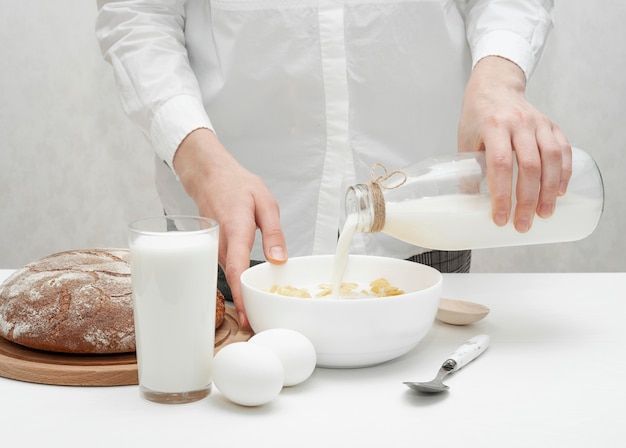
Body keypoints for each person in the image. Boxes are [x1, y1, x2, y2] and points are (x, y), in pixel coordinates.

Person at [96, 0, 571, 327]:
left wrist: (500, 76)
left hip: (423, 218)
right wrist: (200, 161)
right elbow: (139, 14)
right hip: (232, 224)